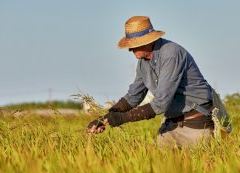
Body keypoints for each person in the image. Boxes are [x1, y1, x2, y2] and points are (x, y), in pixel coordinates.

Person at [87, 16, 231, 147]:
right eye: (130, 45)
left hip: (195, 125)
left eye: (135, 44)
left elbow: (161, 103)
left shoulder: (171, 54)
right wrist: (103, 118)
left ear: (149, 40)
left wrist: (121, 118)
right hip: (171, 125)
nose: (130, 49)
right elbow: (133, 97)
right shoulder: (143, 63)